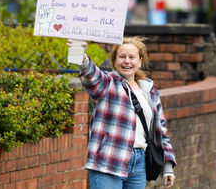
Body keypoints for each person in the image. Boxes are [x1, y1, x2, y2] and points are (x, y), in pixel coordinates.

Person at [67, 36, 176, 189]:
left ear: (140, 60)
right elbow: (91, 75)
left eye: (132, 57)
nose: (127, 61)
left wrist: (167, 167)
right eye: (122, 57)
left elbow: (161, 131)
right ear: (114, 60)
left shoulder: (150, 92)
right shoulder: (107, 83)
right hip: (108, 162)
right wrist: (81, 55)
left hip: (139, 164)